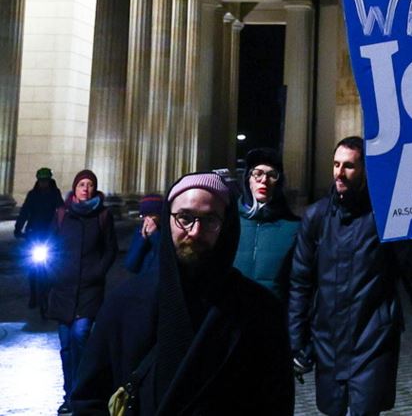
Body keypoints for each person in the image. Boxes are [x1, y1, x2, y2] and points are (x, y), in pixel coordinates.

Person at [71, 172, 294, 415]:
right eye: (185, 217)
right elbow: (89, 398)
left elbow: (276, 403)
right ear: (168, 219)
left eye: (210, 220)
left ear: (226, 226)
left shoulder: (260, 310)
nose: (195, 231)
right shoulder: (123, 303)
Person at [289, 137, 412, 416]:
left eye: (348, 166)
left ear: (365, 169)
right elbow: (300, 282)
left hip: (373, 340)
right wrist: (297, 341)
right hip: (327, 338)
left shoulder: (385, 218)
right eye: (336, 164)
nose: (339, 172)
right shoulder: (316, 217)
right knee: (330, 409)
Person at [46, 169, 118, 413]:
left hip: (89, 289)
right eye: (81, 184)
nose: (85, 188)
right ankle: (69, 395)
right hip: (63, 288)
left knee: (80, 336)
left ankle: (81, 392)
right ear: (75, 188)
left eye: (90, 184)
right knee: (66, 345)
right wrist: (54, 270)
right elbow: (50, 244)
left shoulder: (103, 216)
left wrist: (97, 272)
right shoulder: (62, 214)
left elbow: (110, 249)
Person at [234, 146, 301, 299]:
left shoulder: (294, 227)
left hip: (274, 314)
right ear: (247, 179)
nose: (264, 180)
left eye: (272, 175)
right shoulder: (231, 221)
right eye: (257, 174)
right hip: (231, 316)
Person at [14, 166, 64, 308]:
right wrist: (18, 228)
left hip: (49, 233)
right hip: (34, 232)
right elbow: (25, 211)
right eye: (41, 181)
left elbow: (60, 210)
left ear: (49, 181)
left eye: (45, 181)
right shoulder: (32, 194)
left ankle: (50, 290)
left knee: (54, 263)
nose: (43, 183)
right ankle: (33, 295)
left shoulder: (55, 194)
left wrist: (61, 228)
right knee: (31, 266)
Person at [122, 195, 165, 275]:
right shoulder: (139, 232)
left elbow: (165, 258)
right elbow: (130, 265)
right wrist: (143, 238)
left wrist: (154, 234)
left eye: (151, 216)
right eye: (144, 216)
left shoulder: (166, 233)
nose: (147, 220)